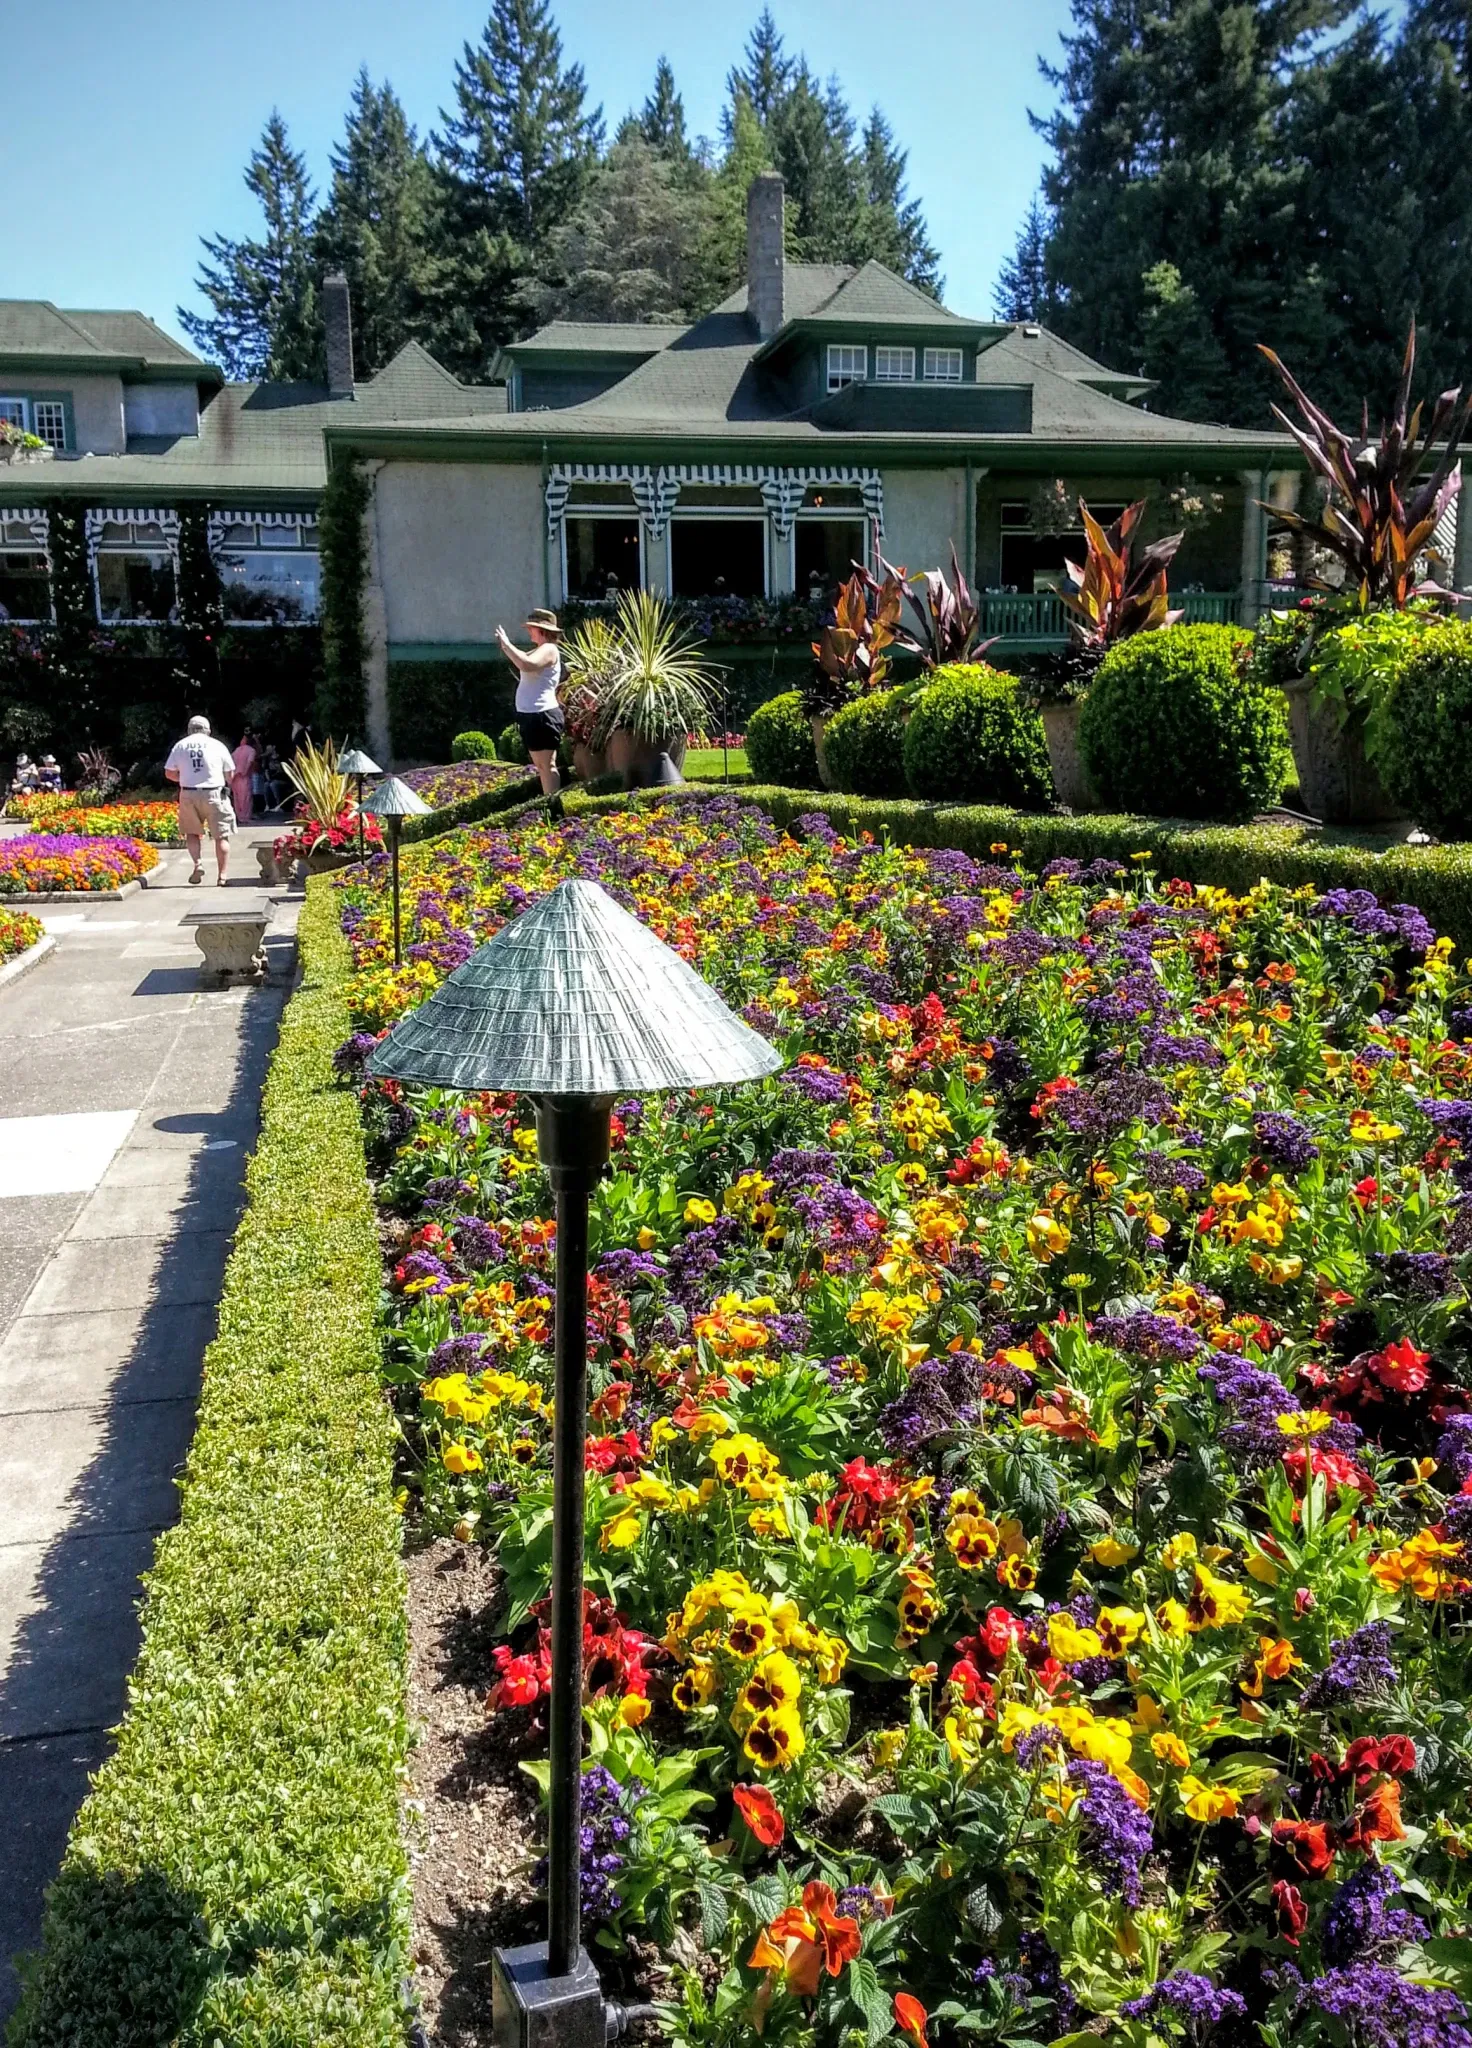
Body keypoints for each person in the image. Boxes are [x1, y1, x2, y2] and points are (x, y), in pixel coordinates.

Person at [496, 607, 565, 820]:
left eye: (531, 628)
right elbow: (522, 660)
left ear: (542, 630)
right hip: (533, 716)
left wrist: (507, 644)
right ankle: (550, 809)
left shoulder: (549, 649)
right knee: (542, 766)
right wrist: (507, 647)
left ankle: (554, 812)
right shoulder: (540, 649)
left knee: (547, 765)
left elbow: (527, 665)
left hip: (542, 715)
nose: (528, 631)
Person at [163, 714, 236, 886]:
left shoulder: (180, 745)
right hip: (214, 793)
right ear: (208, 730)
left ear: (189, 730)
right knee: (221, 836)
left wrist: (183, 778)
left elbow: (169, 773)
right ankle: (222, 876)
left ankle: (198, 864)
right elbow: (230, 773)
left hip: (188, 793)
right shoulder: (217, 745)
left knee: (192, 833)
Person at [230, 729, 257, 825]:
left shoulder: (236, 750)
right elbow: (250, 761)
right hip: (244, 776)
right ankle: (245, 817)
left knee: (237, 798)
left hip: (235, 776)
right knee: (246, 798)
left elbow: (231, 761)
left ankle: (239, 816)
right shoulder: (251, 750)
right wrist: (245, 771)